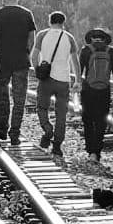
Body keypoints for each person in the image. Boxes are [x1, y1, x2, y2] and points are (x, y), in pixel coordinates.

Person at [0, 0, 36, 146]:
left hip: (2, 61)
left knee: (1, 96)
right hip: (21, 62)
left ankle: (2, 128)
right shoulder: (27, 14)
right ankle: (15, 132)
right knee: (19, 98)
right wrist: (27, 52)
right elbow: (32, 38)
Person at [30, 11, 80, 157]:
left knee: (42, 107)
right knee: (61, 114)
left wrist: (37, 69)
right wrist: (78, 80)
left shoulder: (42, 35)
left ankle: (47, 128)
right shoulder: (69, 38)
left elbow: (33, 56)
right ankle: (57, 145)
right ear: (63, 23)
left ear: (49, 21)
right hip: (63, 80)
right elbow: (74, 61)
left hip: (46, 79)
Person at [79, 27, 113, 162]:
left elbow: (79, 71)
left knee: (87, 120)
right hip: (104, 90)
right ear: (105, 38)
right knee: (101, 121)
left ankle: (90, 150)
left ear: (90, 38)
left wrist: (76, 86)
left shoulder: (86, 50)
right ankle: (97, 152)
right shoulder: (111, 51)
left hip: (88, 90)